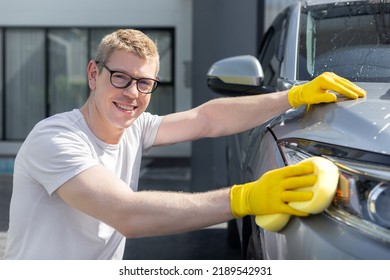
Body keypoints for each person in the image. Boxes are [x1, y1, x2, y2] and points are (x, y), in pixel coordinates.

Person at [4, 29, 366, 260]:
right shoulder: (55, 138)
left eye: (144, 83)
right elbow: (126, 214)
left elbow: (206, 119)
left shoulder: (135, 127)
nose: (132, 93)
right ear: (93, 74)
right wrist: (245, 198)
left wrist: (294, 96)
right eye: (120, 78)